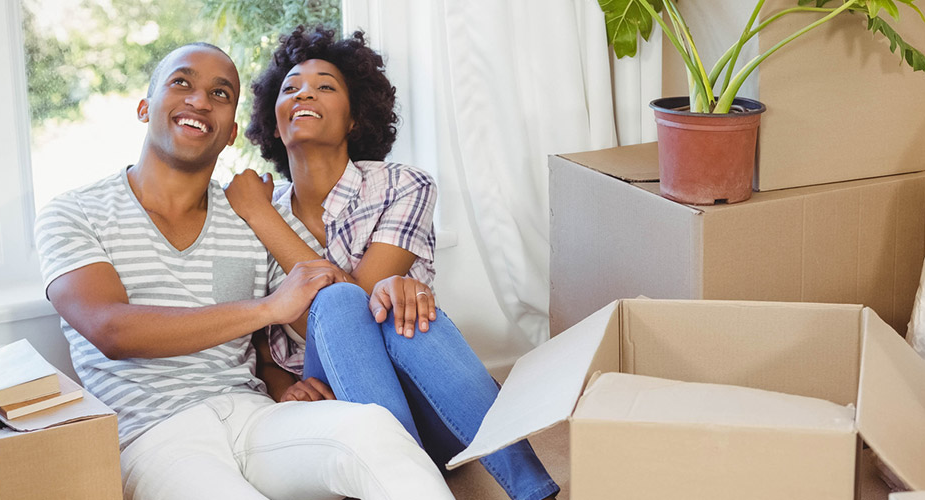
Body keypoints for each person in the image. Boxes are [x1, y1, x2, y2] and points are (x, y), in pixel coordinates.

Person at [33, 42, 454, 500]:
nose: (198, 100)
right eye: (181, 83)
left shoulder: (255, 216)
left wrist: (289, 382)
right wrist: (267, 307)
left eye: (219, 93)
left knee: (374, 431)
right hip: (155, 438)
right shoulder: (74, 212)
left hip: (256, 416)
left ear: (232, 132)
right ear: (143, 107)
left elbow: (325, 316)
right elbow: (110, 330)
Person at [223, 27, 559, 500]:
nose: (304, 93)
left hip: (428, 402)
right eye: (290, 87)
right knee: (353, 300)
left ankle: (529, 490)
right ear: (274, 124)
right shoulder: (253, 210)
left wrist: (261, 217)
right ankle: (406, 484)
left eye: (325, 85)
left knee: (392, 308)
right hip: (332, 410)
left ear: (355, 118)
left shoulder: (404, 186)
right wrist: (281, 387)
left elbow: (364, 301)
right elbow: (252, 337)